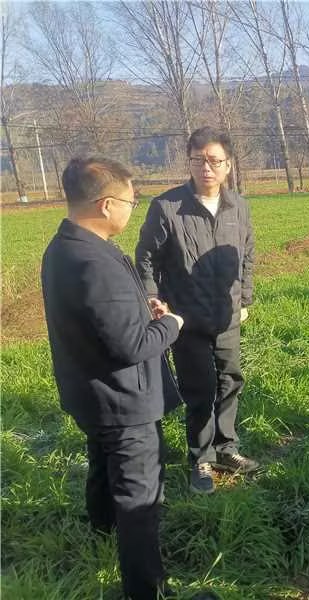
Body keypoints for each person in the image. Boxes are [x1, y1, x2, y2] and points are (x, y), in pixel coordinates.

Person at [42, 157, 185, 599]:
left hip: (91, 394)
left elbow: (102, 321)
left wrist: (143, 309)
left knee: (103, 467)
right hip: (124, 401)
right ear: (106, 204)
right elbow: (130, 346)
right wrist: (170, 325)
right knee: (139, 499)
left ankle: (102, 531)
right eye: (130, 201)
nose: (132, 208)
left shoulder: (64, 246)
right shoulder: (95, 262)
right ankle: (147, 589)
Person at [136, 127, 258, 495]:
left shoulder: (239, 206)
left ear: (228, 165)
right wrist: (153, 298)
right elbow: (146, 258)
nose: (206, 167)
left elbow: (247, 256)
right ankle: (201, 456)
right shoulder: (167, 207)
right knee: (200, 388)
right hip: (186, 318)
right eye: (197, 160)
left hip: (227, 314)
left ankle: (226, 447)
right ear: (188, 162)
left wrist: (245, 300)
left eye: (214, 161)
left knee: (230, 380)